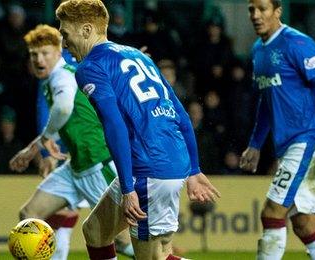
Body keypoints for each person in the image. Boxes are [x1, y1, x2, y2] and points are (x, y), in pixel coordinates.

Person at [56, 1, 220, 259]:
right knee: (96, 231)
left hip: (148, 169)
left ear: (86, 30)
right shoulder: (137, 55)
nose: (64, 44)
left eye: (65, 34)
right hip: (164, 160)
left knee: (154, 257)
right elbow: (180, 114)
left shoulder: (90, 68)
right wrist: (194, 168)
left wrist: (128, 189)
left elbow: (114, 125)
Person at [7, 24, 134, 259]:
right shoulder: (57, 79)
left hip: (98, 165)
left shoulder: (62, 76)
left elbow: (63, 108)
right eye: (34, 54)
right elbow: (66, 117)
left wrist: (40, 141)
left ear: (58, 52)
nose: (38, 59)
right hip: (75, 166)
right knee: (29, 215)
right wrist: (37, 145)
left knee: (125, 243)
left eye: (45, 53)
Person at [239, 0, 315, 259]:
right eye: (252, 9)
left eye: (262, 8)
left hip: (307, 139)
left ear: (277, 11)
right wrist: (255, 143)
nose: (256, 15)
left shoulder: (296, 43)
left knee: (271, 212)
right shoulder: (257, 50)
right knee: (305, 223)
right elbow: (266, 100)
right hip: (286, 144)